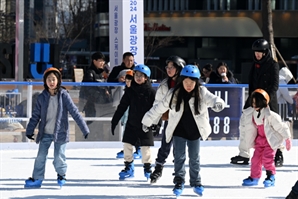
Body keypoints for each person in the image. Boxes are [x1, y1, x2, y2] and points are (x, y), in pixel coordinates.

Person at [142, 65, 225, 197]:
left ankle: (196, 182)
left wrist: (219, 103)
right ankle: (179, 181)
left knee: (194, 158)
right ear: (181, 81)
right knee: (179, 158)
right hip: (178, 130)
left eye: (191, 82)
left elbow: (213, 99)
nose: (188, 85)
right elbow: (159, 108)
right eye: (186, 82)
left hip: (195, 131)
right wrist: (147, 121)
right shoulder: (174, 93)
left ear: (196, 82)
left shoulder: (201, 92)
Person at [24, 67, 90, 188]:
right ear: (45, 81)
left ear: (58, 80)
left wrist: (84, 128)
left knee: (59, 157)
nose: (51, 82)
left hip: (61, 131)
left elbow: (74, 112)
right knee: (40, 157)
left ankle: (61, 174)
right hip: (45, 132)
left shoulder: (64, 95)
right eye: (49, 79)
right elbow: (35, 116)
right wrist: (30, 130)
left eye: (53, 79)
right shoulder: (42, 97)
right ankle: (37, 178)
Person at [230, 39, 280, 166]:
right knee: (245, 124)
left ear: (265, 52)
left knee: (273, 127)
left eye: (260, 52)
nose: (257, 54)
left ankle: (278, 153)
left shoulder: (273, 65)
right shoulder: (254, 64)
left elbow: (274, 85)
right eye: (255, 52)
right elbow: (251, 84)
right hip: (254, 100)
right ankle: (244, 154)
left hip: (267, 100)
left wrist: (264, 99)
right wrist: (251, 101)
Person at [111, 64, 157, 181]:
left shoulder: (151, 92)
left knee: (145, 148)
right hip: (132, 124)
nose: (138, 77)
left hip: (146, 125)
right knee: (127, 146)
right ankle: (128, 168)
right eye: (136, 75)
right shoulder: (130, 91)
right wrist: (114, 120)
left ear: (146, 78)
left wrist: (157, 124)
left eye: (141, 76)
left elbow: (157, 109)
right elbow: (122, 106)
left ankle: (147, 168)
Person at [241, 89, 291, 187]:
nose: (254, 105)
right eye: (253, 102)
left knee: (267, 159)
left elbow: (281, 126)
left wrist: (287, 138)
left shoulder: (271, 115)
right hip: (260, 140)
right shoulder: (252, 114)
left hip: (271, 141)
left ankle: (270, 176)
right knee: (255, 159)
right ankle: (254, 177)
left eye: (257, 102)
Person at [150, 55, 186, 184]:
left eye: (172, 67)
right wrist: (156, 121)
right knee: (165, 145)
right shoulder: (165, 84)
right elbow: (158, 104)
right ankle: (158, 168)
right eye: (167, 67)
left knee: (180, 148)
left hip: (184, 121)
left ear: (179, 68)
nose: (168, 70)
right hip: (170, 119)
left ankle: (179, 171)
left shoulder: (187, 83)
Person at [108, 52, 141, 158]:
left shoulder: (138, 70)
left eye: (131, 60)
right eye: (127, 60)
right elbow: (109, 82)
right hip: (121, 100)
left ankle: (138, 148)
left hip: (134, 102)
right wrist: (118, 80)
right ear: (123, 60)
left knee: (133, 124)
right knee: (125, 123)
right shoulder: (117, 70)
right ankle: (128, 148)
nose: (129, 62)